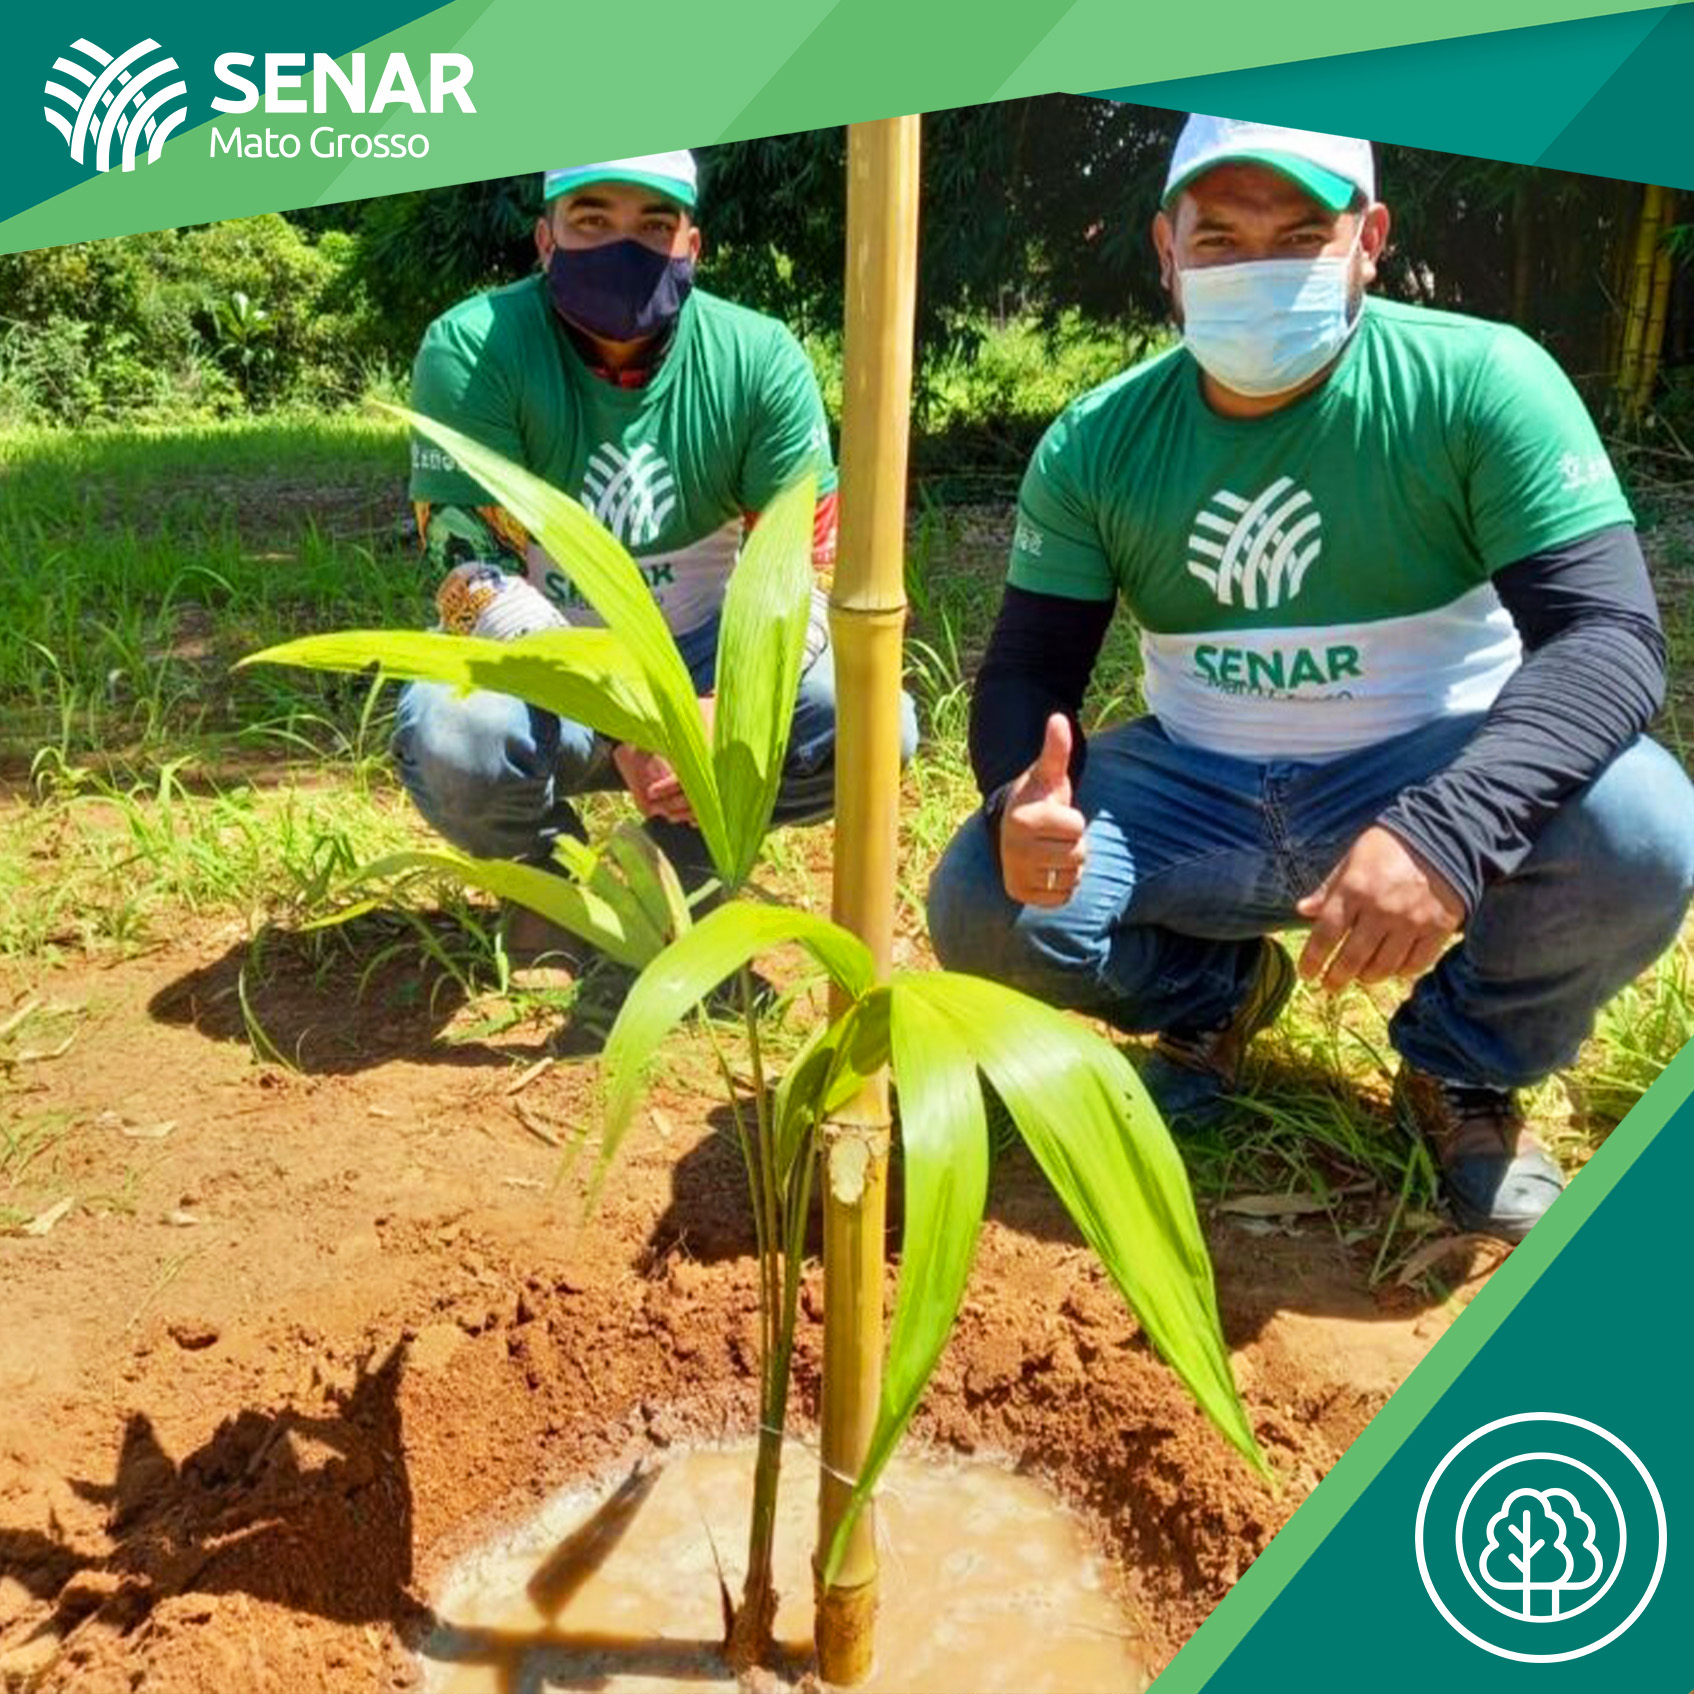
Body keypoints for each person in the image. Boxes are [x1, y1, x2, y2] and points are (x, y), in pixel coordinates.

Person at [927, 115, 1694, 1242]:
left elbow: (1607, 638)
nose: (1259, 268)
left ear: (1368, 240)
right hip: (1199, 788)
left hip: (1423, 767)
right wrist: (1018, 798)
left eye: (1299, 236)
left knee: (1643, 827)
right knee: (982, 902)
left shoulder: (1480, 385)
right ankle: (1217, 996)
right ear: (1166, 250)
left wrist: (1447, 830)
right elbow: (1029, 669)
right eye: (1220, 240)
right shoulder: (1097, 443)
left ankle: (1461, 1067)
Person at [394, 151, 917, 941]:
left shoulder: (758, 359)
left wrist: (733, 704)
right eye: (592, 220)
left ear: (691, 246)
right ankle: (546, 879)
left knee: (871, 724)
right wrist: (626, 718)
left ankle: (678, 860)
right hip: (543, 670)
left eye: (653, 225)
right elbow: (469, 573)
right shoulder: (473, 350)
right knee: (458, 738)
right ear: (545, 239)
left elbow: (814, 567)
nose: (623, 245)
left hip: (712, 660)